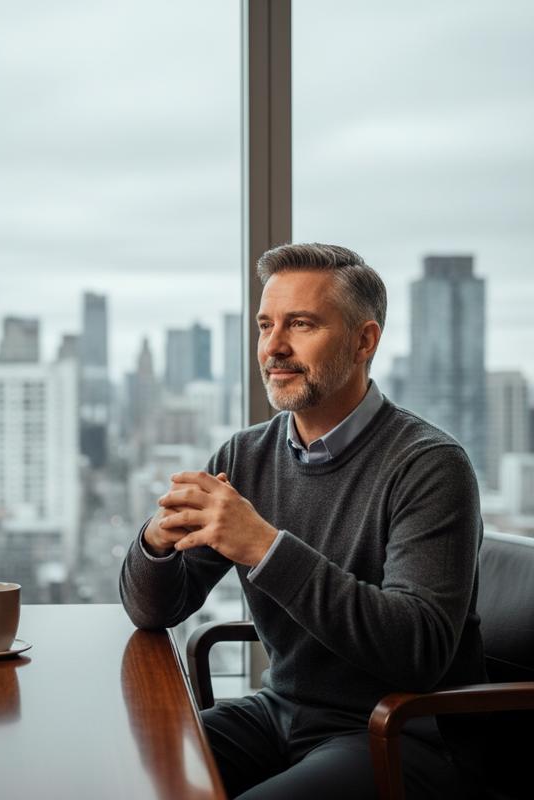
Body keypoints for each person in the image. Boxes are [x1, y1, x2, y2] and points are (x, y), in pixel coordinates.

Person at [119, 243, 486, 799]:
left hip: (398, 732)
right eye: (266, 325)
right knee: (126, 773)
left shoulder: (430, 465)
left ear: (364, 341)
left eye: (301, 324)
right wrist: (155, 543)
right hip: (281, 714)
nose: (274, 346)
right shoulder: (244, 456)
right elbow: (155, 611)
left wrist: (265, 547)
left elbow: (418, 651)